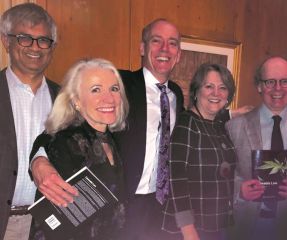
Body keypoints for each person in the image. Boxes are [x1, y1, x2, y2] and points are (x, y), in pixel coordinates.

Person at [29, 18, 251, 240]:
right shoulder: (119, 85)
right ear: (142, 48)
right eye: (157, 41)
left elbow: (197, 118)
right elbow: (61, 125)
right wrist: (38, 160)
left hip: (163, 207)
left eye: (172, 43)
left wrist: (229, 114)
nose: (165, 49)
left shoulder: (175, 93)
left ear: (179, 54)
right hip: (123, 203)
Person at [29, 58, 128, 240]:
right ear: (76, 101)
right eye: (95, 89)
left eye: (114, 89)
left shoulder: (114, 139)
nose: (109, 98)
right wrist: (37, 160)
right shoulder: (65, 143)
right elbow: (53, 224)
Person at [226, 56, 287, 240]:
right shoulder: (234, 126)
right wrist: (238, 191)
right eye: (270, 82)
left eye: (285, 81)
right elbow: (225, 173)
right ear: (259, 86)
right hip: (244, 226)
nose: (278, 88)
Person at [0, 3, 59, 240]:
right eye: (25, 38)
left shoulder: (66, 100)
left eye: (44, 40)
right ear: (6, 40)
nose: (35, 47)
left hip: (49, 224)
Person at [162, 63, 237, 240]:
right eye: (209, 86)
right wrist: (188, 230)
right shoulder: (187, 124)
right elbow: (177, 179)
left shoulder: (219, 126)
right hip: (191, 229)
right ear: (196, 92)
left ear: (228, 95)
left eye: (222, 88)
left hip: (217, 223)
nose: (216, 93)